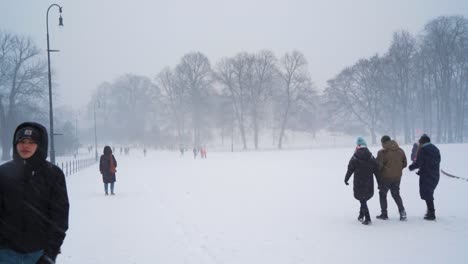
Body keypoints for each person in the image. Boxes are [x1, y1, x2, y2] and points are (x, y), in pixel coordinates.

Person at [0, 122, 69, 263]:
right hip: (5, 253)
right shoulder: (3, 173)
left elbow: (59, 217)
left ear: (40, 145)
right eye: (22, 141)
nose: (25, 146)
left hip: (39, 253)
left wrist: (50, 253)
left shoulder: (53, 175)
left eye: (31, 142)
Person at [344, 137, 380, 225]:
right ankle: (361, 215)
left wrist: (346, 178)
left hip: (359, 180)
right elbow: (376, 170)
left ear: (358, 146)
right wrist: (379, 182)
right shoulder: (371, 156)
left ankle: (367, 218)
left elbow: (350, 169)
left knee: (362, 198)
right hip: (369, 180)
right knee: (363, 198)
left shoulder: (355, 156)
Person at [409, 134, 441, 220]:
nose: (419, 145)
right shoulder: (435, 149)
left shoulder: (423, 150)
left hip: (426, 175)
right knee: (429, 193)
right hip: (435, 174)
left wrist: (411, 167)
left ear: (423, 142)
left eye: (420, 143)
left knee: (427, 194)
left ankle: (431, 213)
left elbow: (419, 162)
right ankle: (430, 212)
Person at [375, 135, 408, 221]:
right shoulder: (400, 150)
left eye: (382, 143)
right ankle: (402, 212)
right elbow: (404, 164)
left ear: (383, 143)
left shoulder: (382, 152)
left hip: (386, 177)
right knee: (396, 194)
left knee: (382, 194)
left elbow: (378, 166)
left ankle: (384, 214)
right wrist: (396, 169)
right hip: (397, 177)